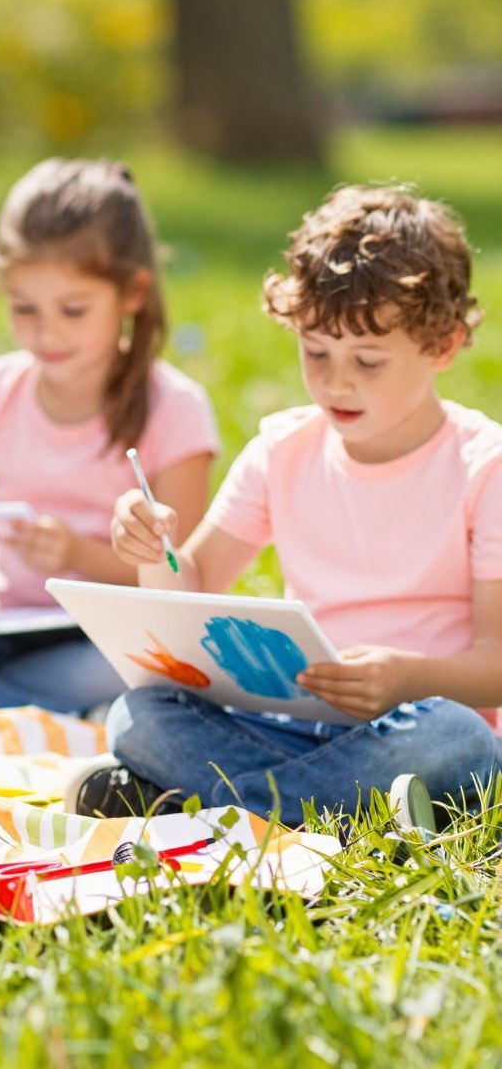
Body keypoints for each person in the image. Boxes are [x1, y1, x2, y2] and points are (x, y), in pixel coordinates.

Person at [81, 184, 502, 823]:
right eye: (315, 352)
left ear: (442, 345)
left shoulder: (484, 467)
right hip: (293, 721)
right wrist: (151, 551)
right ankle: (353, 809)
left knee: (457, 740)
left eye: (368, 360)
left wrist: (403, 678)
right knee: (137, 716)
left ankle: (214, 803)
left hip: (417, 718)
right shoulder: (282, 450)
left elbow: (495, 665)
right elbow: (192, 584)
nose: (336, 381)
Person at [0, 159, 218, 714]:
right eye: (23, 308)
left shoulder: (175, 408)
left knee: (147, 670)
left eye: (73, 310)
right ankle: (59, 717)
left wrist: (79, 554)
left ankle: (1, 710)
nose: (46, 332)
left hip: (103, 639)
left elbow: (185, 582)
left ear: (132, 293)